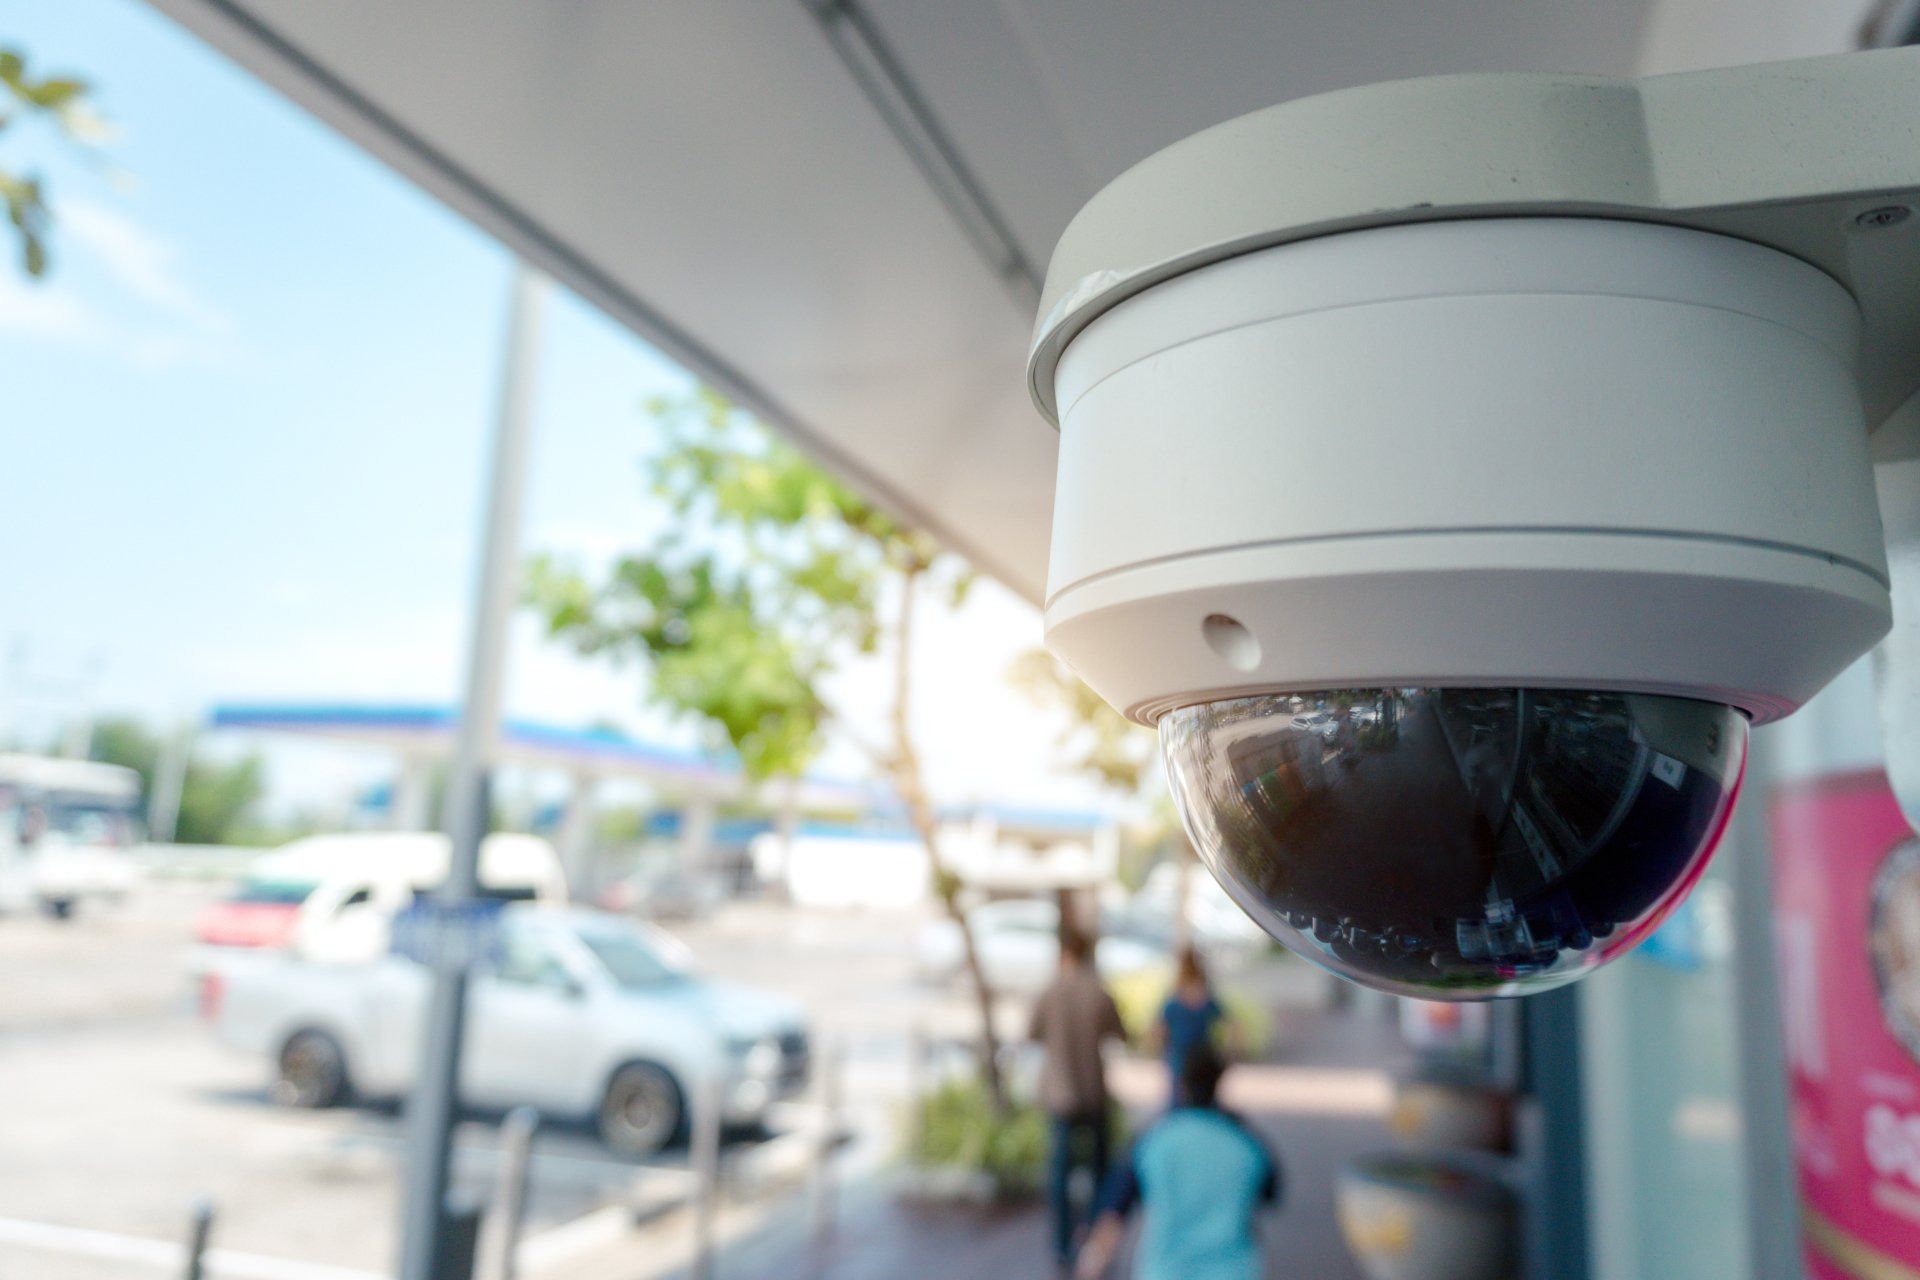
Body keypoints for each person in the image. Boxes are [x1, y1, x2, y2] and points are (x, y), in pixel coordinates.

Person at [1075, 1044, 1281, 1280]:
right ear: (1219, 1084)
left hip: (1166, 1271)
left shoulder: (1154, 1142)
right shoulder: (1245, 1144)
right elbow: (1271, 1192)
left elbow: (1113, 1216)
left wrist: (1091, 1264)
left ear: (1180, 1085)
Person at [1030, 924, 1127, 1275]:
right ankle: (1094, 1243)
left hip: (1060, 1093)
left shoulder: (1049, 990)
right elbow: (1121, 1032)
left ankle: (1061, 1247)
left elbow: (1031, 1033)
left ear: (1062, 953)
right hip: (1093, 1092)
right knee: (1101, 1172)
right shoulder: (1099, 990)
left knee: (1060, 1174)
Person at [1150, 946, 1225, 1102]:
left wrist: (1156, 1047)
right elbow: (1226, 1020)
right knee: (1204, 1099)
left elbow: (1160, 1028)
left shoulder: (1175, 996)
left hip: (1179, 1053)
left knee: (1179, 1099)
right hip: (1201, 1054)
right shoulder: (1205, 995)